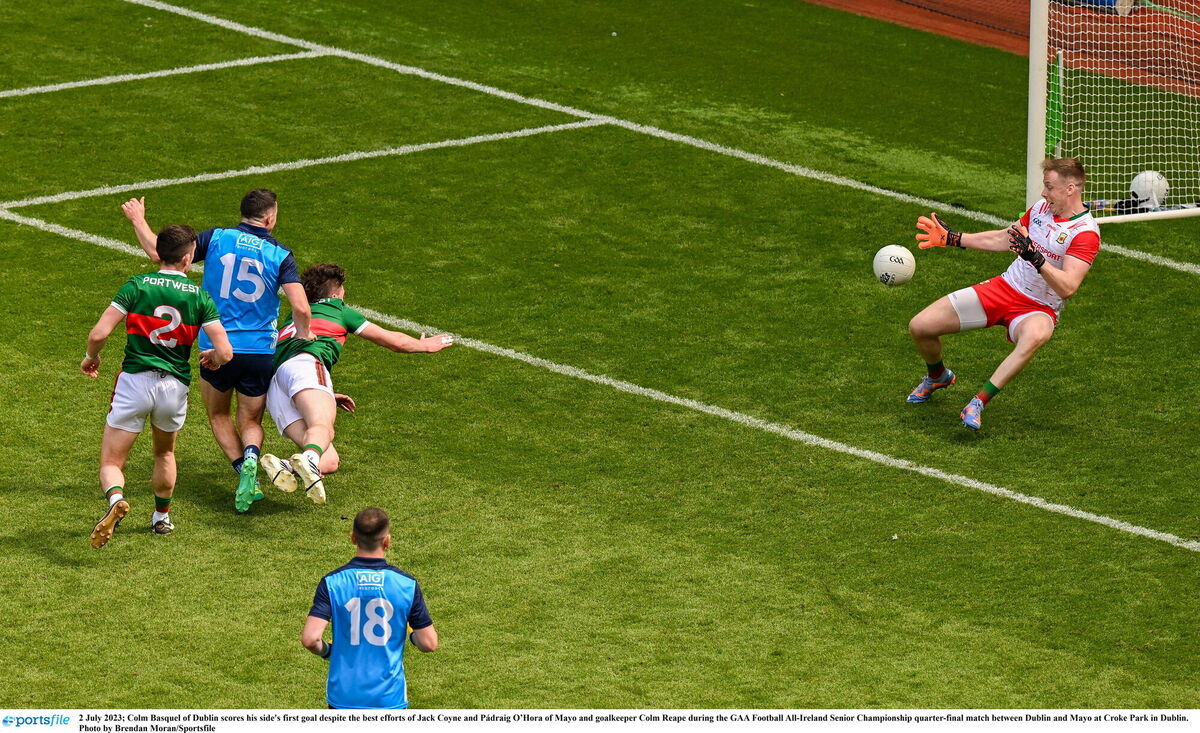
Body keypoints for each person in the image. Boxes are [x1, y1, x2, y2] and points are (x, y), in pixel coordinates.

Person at [121, 190, 314, 513]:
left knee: (219, 415)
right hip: (258, 352)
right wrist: (303, 336)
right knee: (250, 418)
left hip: (216, 347)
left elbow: (160, 255)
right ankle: (252, 454)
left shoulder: (217, 238)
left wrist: (138, 220)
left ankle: (243, 470)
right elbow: (301, 308)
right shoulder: (280, 255)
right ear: (270, 218)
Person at [906, 157, 1100, 430]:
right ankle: (938, 376)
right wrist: (954, 238)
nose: (1043, 193)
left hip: (1038, 307)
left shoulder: (1085, 233)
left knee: (1037, 335)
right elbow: (1004, 238)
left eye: (1049, 187)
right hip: (1005, 287)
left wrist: (1036, 259)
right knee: (920, 326)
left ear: (1070, 189)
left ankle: (978, 402)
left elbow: (1067, 287)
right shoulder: (1041, 209)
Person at [84, 225, 233, 548]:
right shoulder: (199, 297)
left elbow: (99, 334)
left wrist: (90, 358)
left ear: (159, 253)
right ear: (188, 258)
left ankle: (116, 500)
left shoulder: (137, 285)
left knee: (112, 461)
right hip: (173, 387)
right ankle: (161, 518)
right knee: (164, 452)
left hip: (134, 382)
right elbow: (225, 353)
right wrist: (212, 357)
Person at [260, 263, 453, 504]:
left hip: (276, 386)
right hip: (306, 367)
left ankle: (285, 465)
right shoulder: (339, 310)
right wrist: (424, 345)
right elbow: (392, 341)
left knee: (328, 460)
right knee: (323, 427)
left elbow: (290, 369)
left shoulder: (298, 315)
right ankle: (308, 459)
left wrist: (325, 394)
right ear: (335, 292)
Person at [301, 507, 438, 709]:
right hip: (389, 700)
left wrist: (328, 651)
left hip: (344, 698)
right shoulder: (406, 585)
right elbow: (429, 643)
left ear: (353, 538)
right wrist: (411, 633)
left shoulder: (332, 582)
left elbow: (310, 639)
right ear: (387, 541)